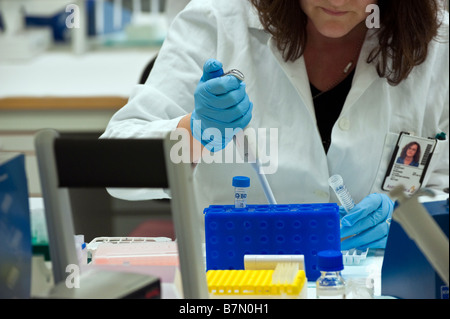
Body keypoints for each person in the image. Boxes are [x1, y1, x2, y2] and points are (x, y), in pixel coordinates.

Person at [101, 0, 449, 250]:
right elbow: (114, 167)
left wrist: (412, 221)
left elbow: (442, 187)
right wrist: (195, 134)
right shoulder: (217, 21)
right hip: (238, 286)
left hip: (377, 281)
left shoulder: (438, 45)